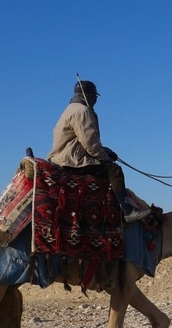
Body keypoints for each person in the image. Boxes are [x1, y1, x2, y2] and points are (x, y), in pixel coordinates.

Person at [46, 80, 148, 222]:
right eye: (95, 96)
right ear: (89, 95)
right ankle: (127, 211)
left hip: (63, 156)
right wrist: (105, 157)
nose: (96, 100)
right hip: (72, 160)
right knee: (114, 171)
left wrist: (106, 150)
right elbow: (90, 144)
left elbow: (80, 141)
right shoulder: (82, 111)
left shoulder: (70, 109)